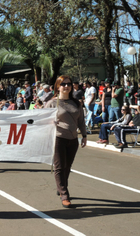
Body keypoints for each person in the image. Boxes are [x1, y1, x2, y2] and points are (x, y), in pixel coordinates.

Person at [45, 75, 87, 208]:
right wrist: (51, 122)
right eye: (63, 84)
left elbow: (81, 120)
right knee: (59, 167)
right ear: (58, 86)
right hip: (58, 137)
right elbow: (42, 120)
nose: (66, 86)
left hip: (73, 139)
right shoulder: (52, 103)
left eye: (68, 84)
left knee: (67, 166)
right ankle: (64, 194)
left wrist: (84, 135)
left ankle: (61, 186)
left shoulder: (76, 103)